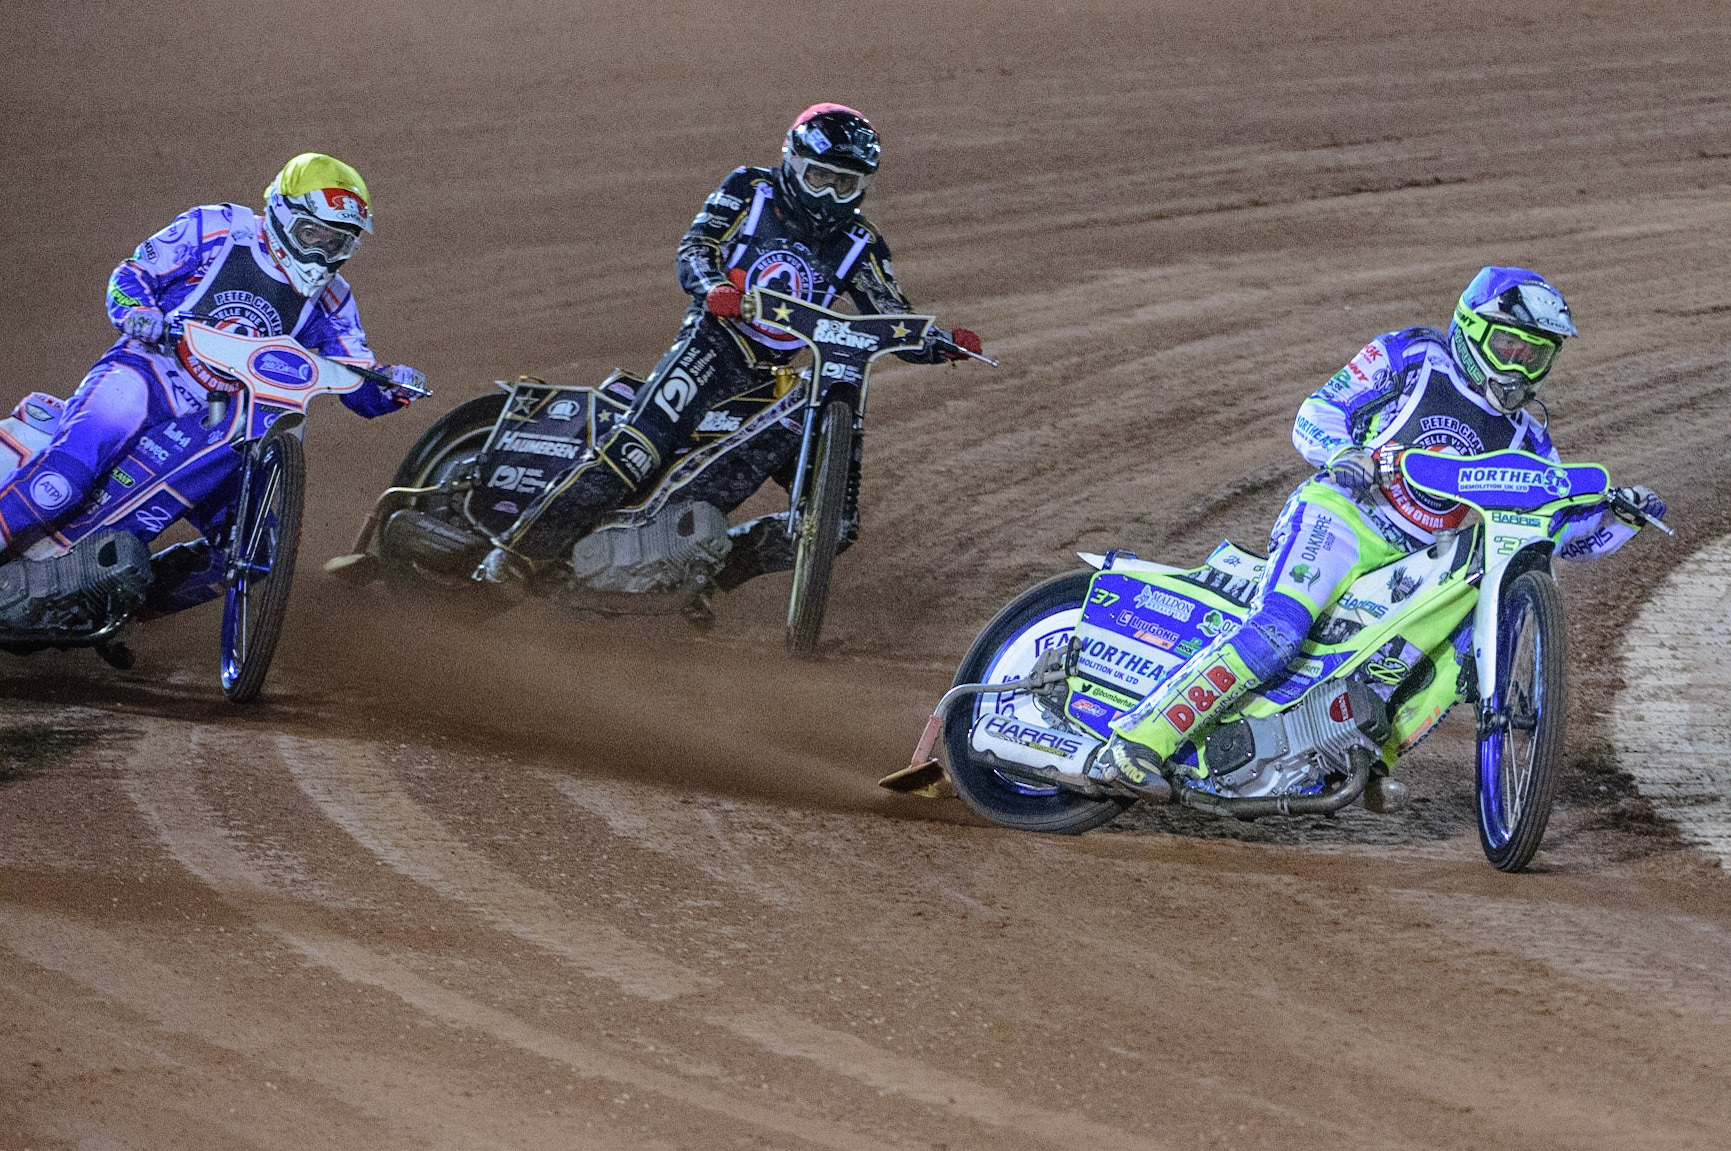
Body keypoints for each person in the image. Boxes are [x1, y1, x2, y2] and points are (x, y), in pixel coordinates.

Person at [1099, 266, 1667, 793]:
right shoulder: (1414, 355)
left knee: (1458, 657)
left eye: (1534, 356)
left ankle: (1364, 760)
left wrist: (1619, 516)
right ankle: (1136, 743)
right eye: (1507, 347)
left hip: (1416, 560)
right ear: (1471, 330)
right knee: (1280, 628)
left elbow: (1562, 533)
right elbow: (1316, 411)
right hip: (1344, 517)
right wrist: (1345, 453)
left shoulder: (1531, 439)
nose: (1517, 368)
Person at [474, 103, 982, 591]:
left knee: (835, 528)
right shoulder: (751, 189)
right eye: (819, 178)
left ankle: (700, 580)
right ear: (794, 164)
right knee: (635, 451)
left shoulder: (860, 243)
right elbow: (695, 246)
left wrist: (938, 344)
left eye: (843, 184)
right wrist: (715, 287)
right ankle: (514, 554)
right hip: (711, 344)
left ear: (863, 186)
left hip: (774, 379)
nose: (829, 196)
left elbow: (887, 312)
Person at [0, 153, 424, 559]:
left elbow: (356, 378)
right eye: (311, 235)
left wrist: (392, 387)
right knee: (64, 480)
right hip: (148, 371)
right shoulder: (218, 227)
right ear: (281, 212)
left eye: (336, 243)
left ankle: (119, 595)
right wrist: (138, 313)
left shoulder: (334, 299)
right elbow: (133, 274)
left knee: (257, 551)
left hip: (222, 423)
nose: (320, 255)